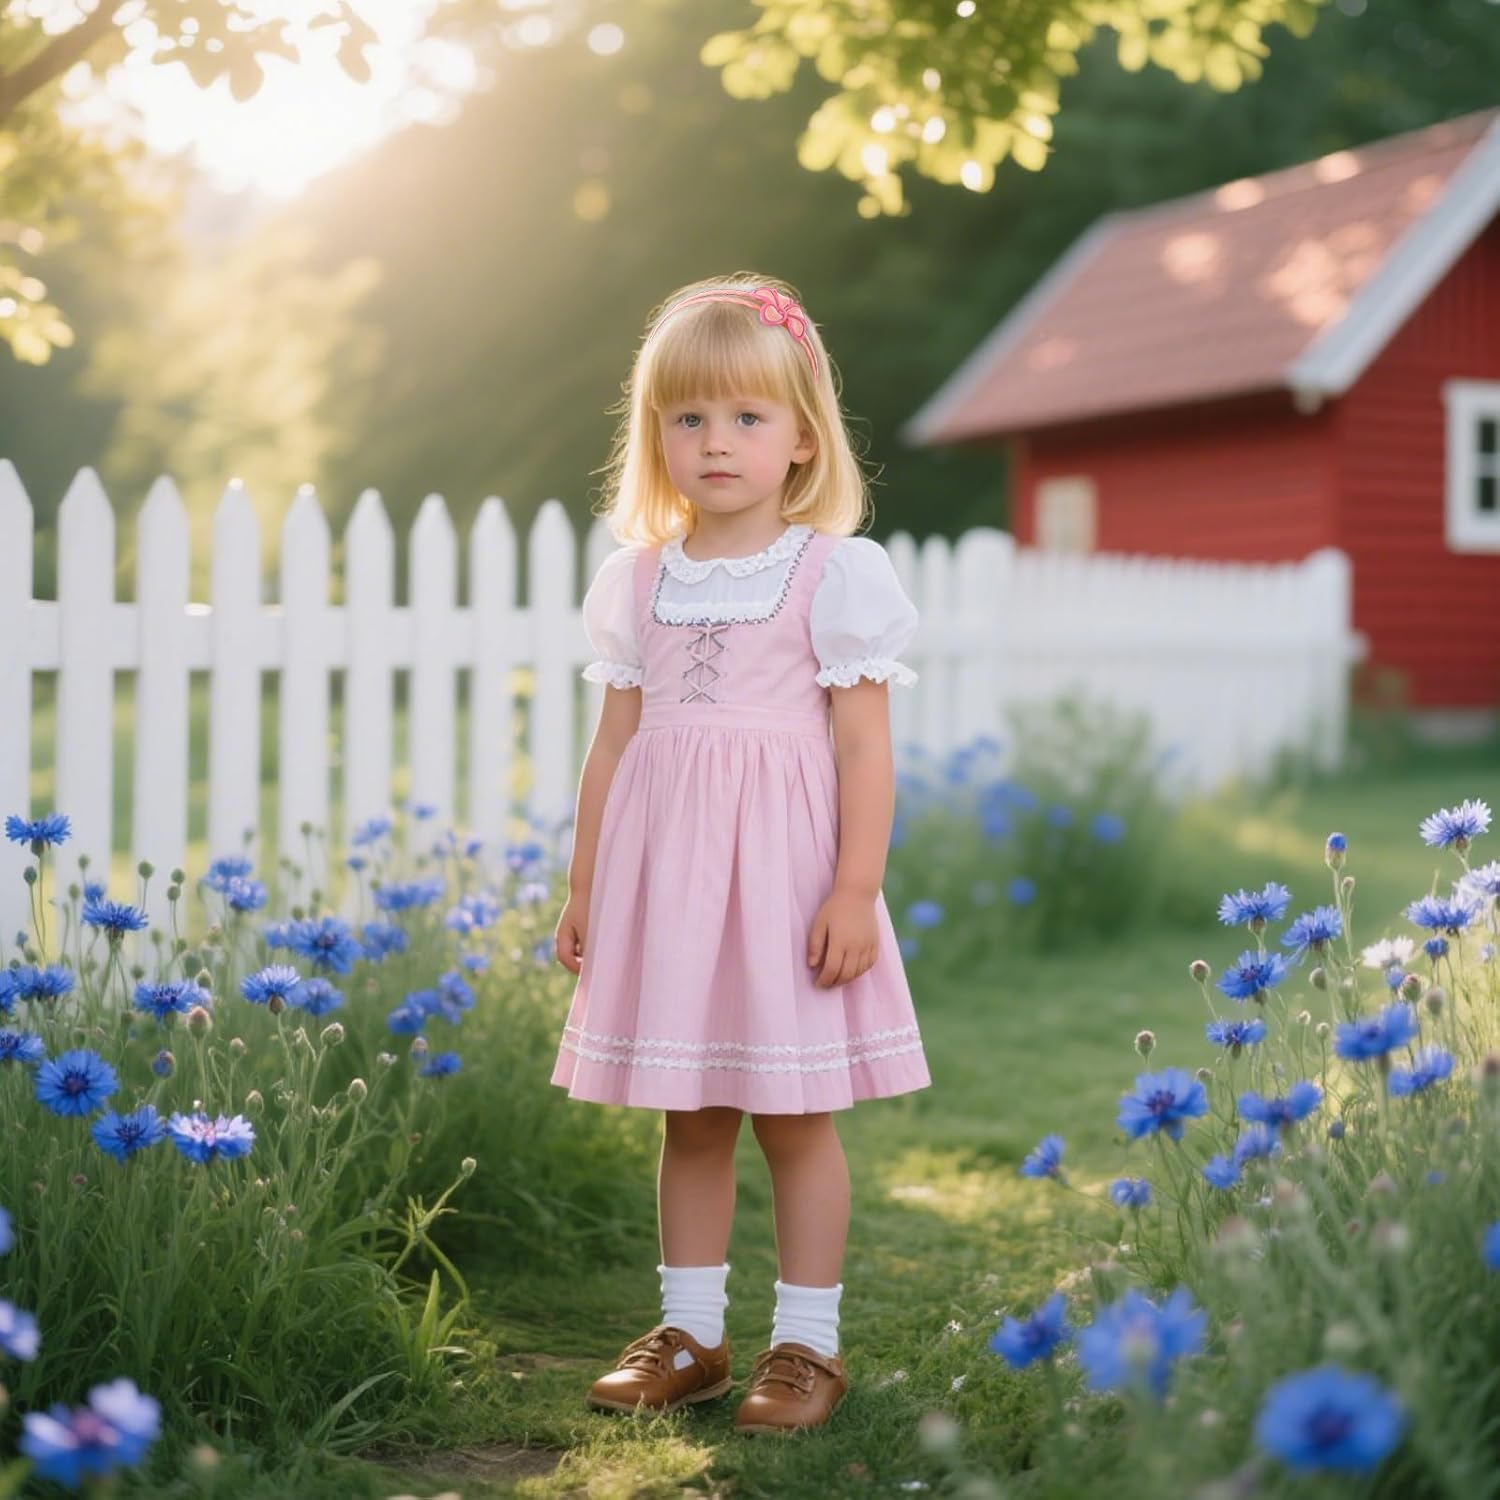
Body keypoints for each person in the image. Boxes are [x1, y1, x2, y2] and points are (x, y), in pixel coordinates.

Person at [550, 273, 931, 1436]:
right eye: (689, 418)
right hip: (669, 889)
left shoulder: (833, 575)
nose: (715, 442)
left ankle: (807, 1347)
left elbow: (864, 751)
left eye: (746, 418)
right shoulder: (640, 580)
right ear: (654, 433)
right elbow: (614, 746)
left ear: (802, 438)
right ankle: (693, 1335)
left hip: (784, 886)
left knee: (795, 1118)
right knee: (693, 1115)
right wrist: (586, 885)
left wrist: (856, 888)